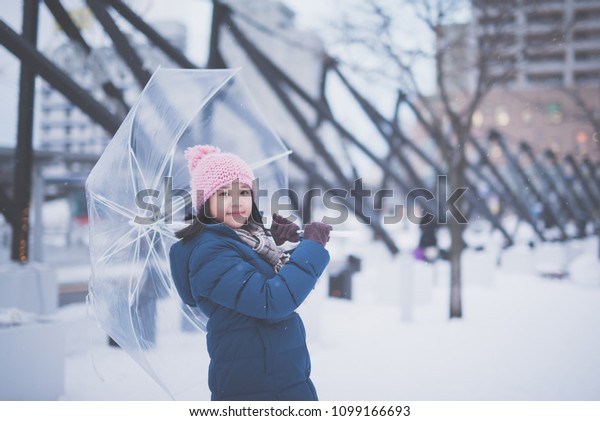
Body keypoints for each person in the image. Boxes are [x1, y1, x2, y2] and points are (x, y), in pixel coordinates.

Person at [169, 145, 332, 401]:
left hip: (277, 377)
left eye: (243, 192)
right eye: (223, 193)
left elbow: (264, 279)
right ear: (205, 203)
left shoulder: (248, 241)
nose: (237, 201)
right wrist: (312, 249)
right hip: (256, 388)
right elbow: (273, 300)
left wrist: (283, 245)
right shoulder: (210, 254)